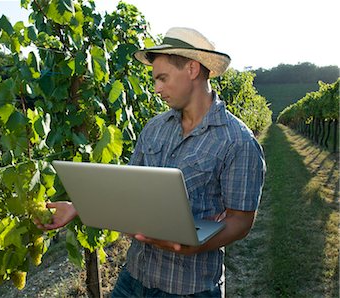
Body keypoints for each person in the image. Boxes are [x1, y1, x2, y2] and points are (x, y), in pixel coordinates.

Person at [36, 27, 266, 297]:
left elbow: (241, 221)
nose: (156, 88)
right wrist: (78, 207)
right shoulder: (155, 128)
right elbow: (130, 191)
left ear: (192, 69)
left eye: (162, 78)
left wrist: (195, 246)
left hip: (188, 288)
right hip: (134, 276)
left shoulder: (237, 141)